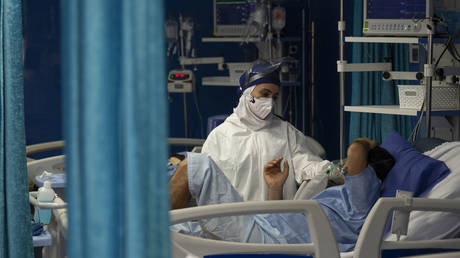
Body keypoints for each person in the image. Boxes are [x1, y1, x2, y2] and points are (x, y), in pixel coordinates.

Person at [170, 138, 395, 252]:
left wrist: (368, 143)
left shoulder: (364, 200)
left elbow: (356, 150)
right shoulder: (337, 194)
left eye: (349, 166)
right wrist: (275, 188)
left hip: (269, 243)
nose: (344, 166)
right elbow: (279, 219)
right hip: (262, 228)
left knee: (199, 165)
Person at [201, 60, 336, 201]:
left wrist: (328, 170)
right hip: (235, 219)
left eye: (274, 97)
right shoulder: (221, 136)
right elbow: (208, 187)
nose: (270, 102)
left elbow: (306, 165)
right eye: (265, 94)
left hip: (277, 218)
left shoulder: (286, 132)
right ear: (247, 94)